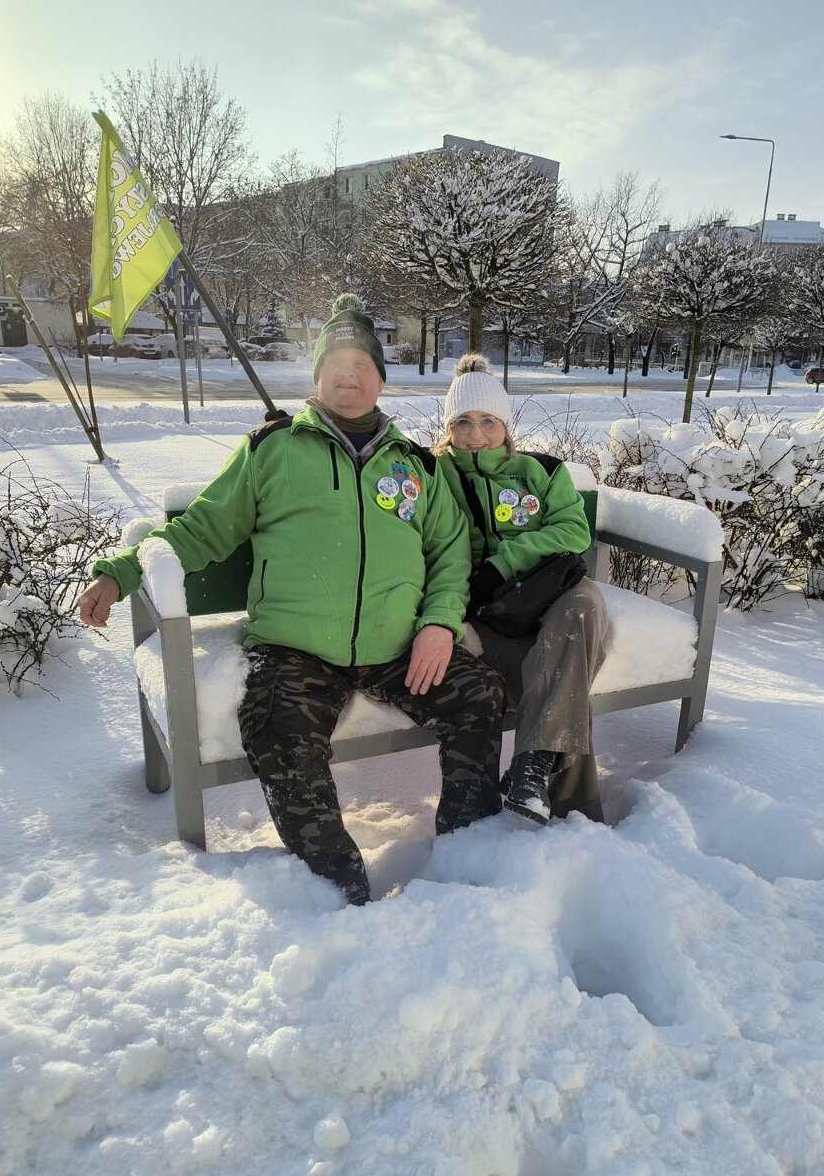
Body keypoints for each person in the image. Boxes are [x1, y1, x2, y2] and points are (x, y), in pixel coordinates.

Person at [79, 295, 506, 905]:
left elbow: (449, 553)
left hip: (398, 646)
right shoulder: (271, 448)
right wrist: (120, 572)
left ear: (381, 379)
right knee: (277, 728)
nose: (348, 374)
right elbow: (199, 530)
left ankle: (468, 856)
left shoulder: (416, 465)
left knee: (480, 694)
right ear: (317, 375)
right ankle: (339, 892)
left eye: (362, 364)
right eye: (335, 362)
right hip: (295, 652)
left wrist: (438, 624)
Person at [435, 353, 607, 825]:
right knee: (562, 679)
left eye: (488, 421)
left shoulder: (541, 471)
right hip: (485, 612)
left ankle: (532, 768)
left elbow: (573, 531)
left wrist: (504, 562)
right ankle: (570, 813)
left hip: (549, 595)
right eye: (463, 422)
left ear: (505, 425)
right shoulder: (432, 476)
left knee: (585, 604)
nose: (476, 434)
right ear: (448, 427)